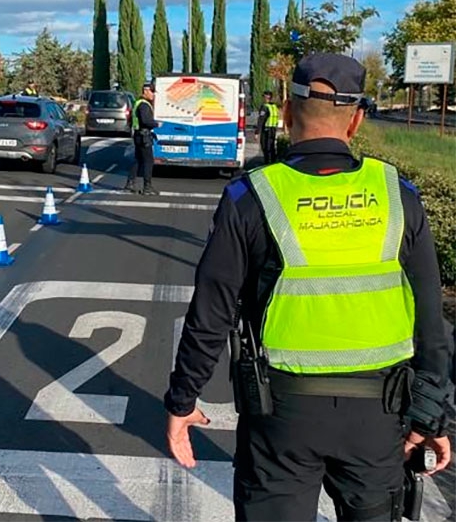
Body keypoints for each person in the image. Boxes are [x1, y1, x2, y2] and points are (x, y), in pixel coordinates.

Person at [164, 52, 453, 521]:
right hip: (378, 419)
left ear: (286, 111)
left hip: (281, 415)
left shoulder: (250, 196)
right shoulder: (398, 193)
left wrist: (182, 398)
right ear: (357, 120)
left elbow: (211, 312)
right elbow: (429, 320)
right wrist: (432, 415)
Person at [125, 82, 159, 196]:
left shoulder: (138, 102)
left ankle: (129, 183)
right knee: (149, 161)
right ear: (146, 91)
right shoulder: (144, 105)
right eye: (152, 92)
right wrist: (156, 124)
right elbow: (145, 121)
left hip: (138, 135)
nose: (153, 94)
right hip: (144, 136)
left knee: (138, 160)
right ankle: (147, 187)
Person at [256, 90, 280, 164]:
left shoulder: (265, 107)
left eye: (264, 97)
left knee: (265, 146)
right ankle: (272, 162)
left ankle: (267, 163)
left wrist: (257, 132)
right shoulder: (274, 106)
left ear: (265, 97)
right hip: (273, 129)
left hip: (266, 130)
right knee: (271, 147)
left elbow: (261, 120)